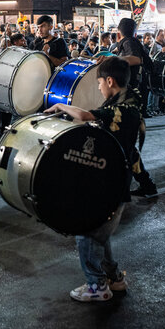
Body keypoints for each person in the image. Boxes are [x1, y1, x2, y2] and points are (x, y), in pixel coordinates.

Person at [44, 57, 138, 301]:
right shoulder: (131, 99)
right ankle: (115, 279)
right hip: (115, 179)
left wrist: (60, 107)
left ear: (109, 81)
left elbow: (86, 115)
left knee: (86, 229)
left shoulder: (119, 109)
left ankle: (97, 287)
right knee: (99, 231)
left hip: (113, 183)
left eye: (99, 83)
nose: (97, 88)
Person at [100, 18, 157, 198]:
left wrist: (113, 59)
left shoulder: (129, 41)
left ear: (119, 30)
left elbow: (135, 59)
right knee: (126, 145)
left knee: (125, 145)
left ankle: (136, 186)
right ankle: (145, 184)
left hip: (130, 98)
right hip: (128, 97)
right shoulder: (128, 42)